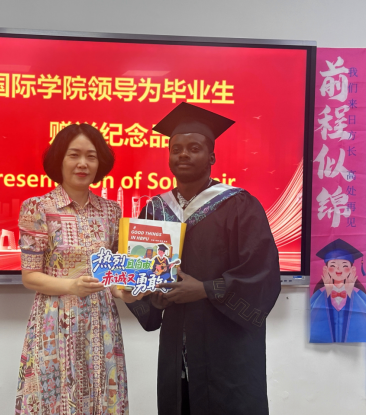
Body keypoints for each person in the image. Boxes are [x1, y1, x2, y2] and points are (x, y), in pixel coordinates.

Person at [127, 103, 281, 415]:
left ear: (211, 157)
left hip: (228, 347)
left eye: (194, 148)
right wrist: (154, 299)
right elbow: (142, 282)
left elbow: (263, 273)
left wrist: (205, 289)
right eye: (176, 149)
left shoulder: (240, 205)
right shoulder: (154, 212)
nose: (183, 154)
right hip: (177, 347)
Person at [15, 124, 140, 415]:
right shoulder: (38, 207)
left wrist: (129, 291)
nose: (83, 163)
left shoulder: (112, 211)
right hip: (55, 320)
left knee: (102, 398)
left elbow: (114, 276)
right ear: (60, 160)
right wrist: (72, 286)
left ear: (100, 163)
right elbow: (30, 276)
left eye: (91, 156)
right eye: (74, 155)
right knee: (54, 400)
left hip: (102, 321)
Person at [310, 239, 366, 342]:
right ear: (325, 270)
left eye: (345, 266)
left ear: (352, 270)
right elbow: (312, 315)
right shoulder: (321, 292)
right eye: (332, 266)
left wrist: (350, 294)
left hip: (354, 345)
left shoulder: (357, 293)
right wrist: (327, 293)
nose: (338, 270)